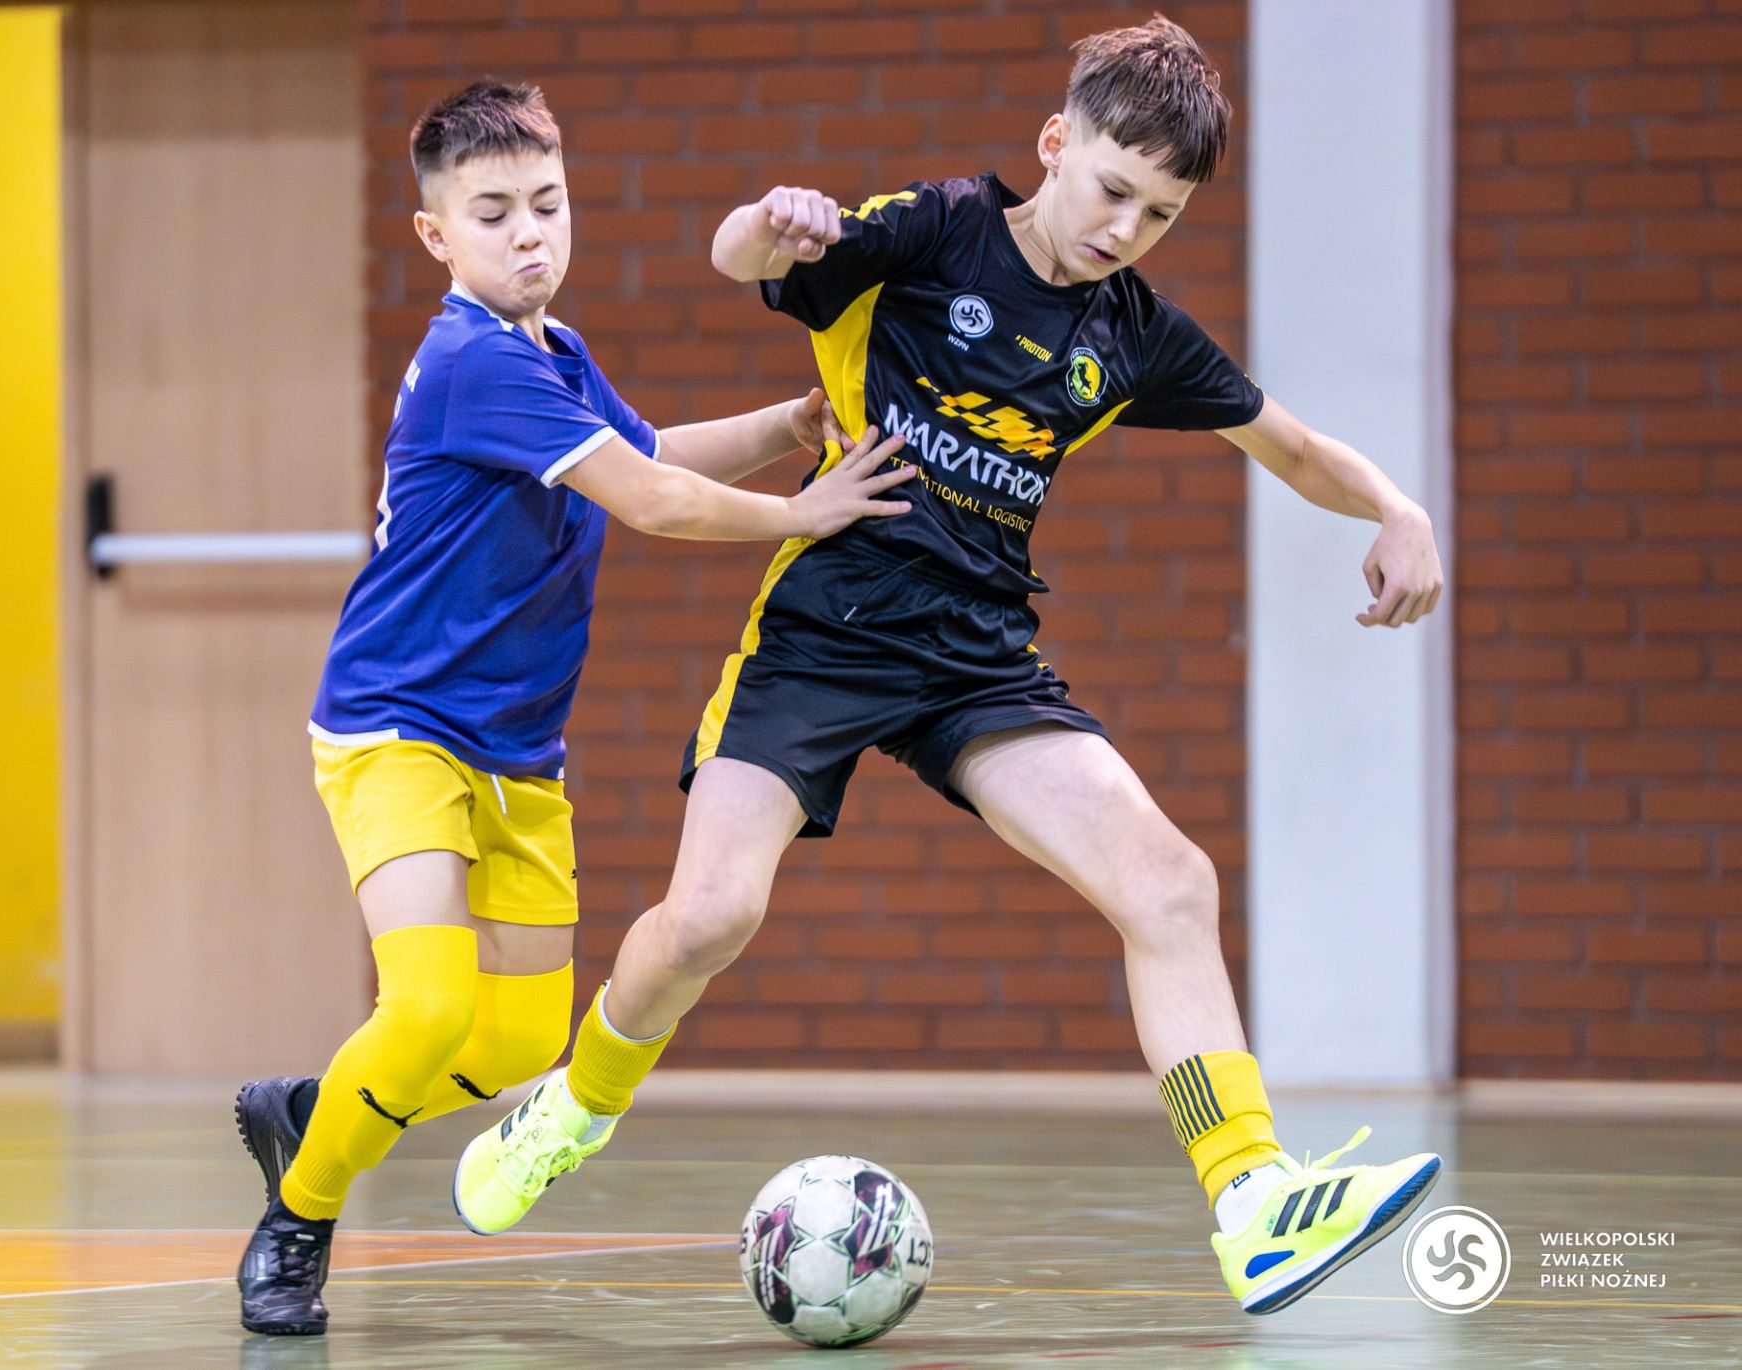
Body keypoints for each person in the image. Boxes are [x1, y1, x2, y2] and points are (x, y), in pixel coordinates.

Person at [453, 16, 1446, 1317]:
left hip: (977, 656)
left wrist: (1397, 507)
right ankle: (571, 1112)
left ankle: (1254, 1201)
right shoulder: (939, 232)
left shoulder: (1132, 333)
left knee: (1171, 882)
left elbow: (1293, 445)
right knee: (708, 919)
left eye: (1159, 213)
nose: (1125, 229)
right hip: (825, 628)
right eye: (1111, 191)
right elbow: (740, 257)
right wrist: (771, 220)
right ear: (1056, 142)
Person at [231, 78, 914, 1337]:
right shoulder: (471, 362)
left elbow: (648, 452)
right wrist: (802, 511)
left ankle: (314, 1113)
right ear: (437, 235)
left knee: (510, 1047)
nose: (528, 233)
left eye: (546, 203)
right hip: (395, 728)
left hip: (517, 754)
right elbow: (650, 502)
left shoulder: (555, 351)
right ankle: (300, 1217)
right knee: (427, 1007)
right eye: (492, 213)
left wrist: (791, 423)